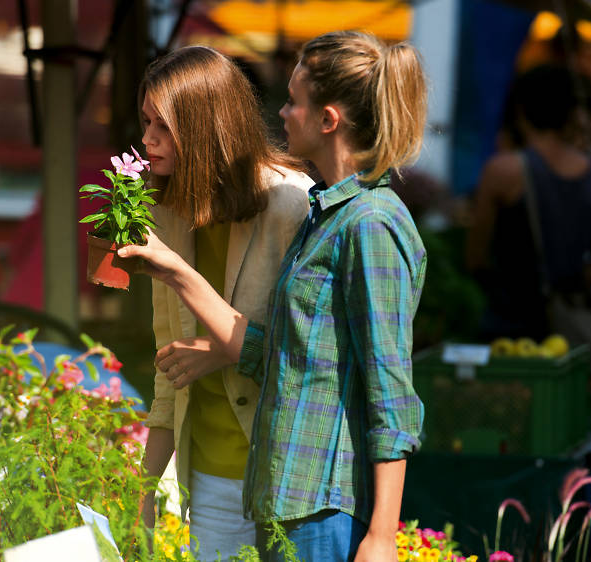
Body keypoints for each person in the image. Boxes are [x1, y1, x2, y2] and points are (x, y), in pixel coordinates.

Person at [121, 31, 429, 561]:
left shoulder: (365, 221)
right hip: (282, 489)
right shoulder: (326, 216)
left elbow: (390, 394)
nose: (281, 114)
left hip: (319, 499)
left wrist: (382, 536)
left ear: (327, 119)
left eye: (293, 101)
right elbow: (292, 355)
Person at [136, 46, 314, 561]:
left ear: (205, 125)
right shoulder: (164, 211)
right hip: (208, 472)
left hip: (282, 470)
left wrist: (221, 348)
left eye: (163, 126)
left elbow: (308, 353)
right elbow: (167, 365)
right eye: (145, 121)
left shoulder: (289, 204)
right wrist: (145, 493)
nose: (147, 139)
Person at [466, 64, 591, 372]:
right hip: (569, 335)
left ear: (521, 111)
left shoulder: (502, 171)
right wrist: (566, 280)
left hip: (506, 331)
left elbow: (474, 258)